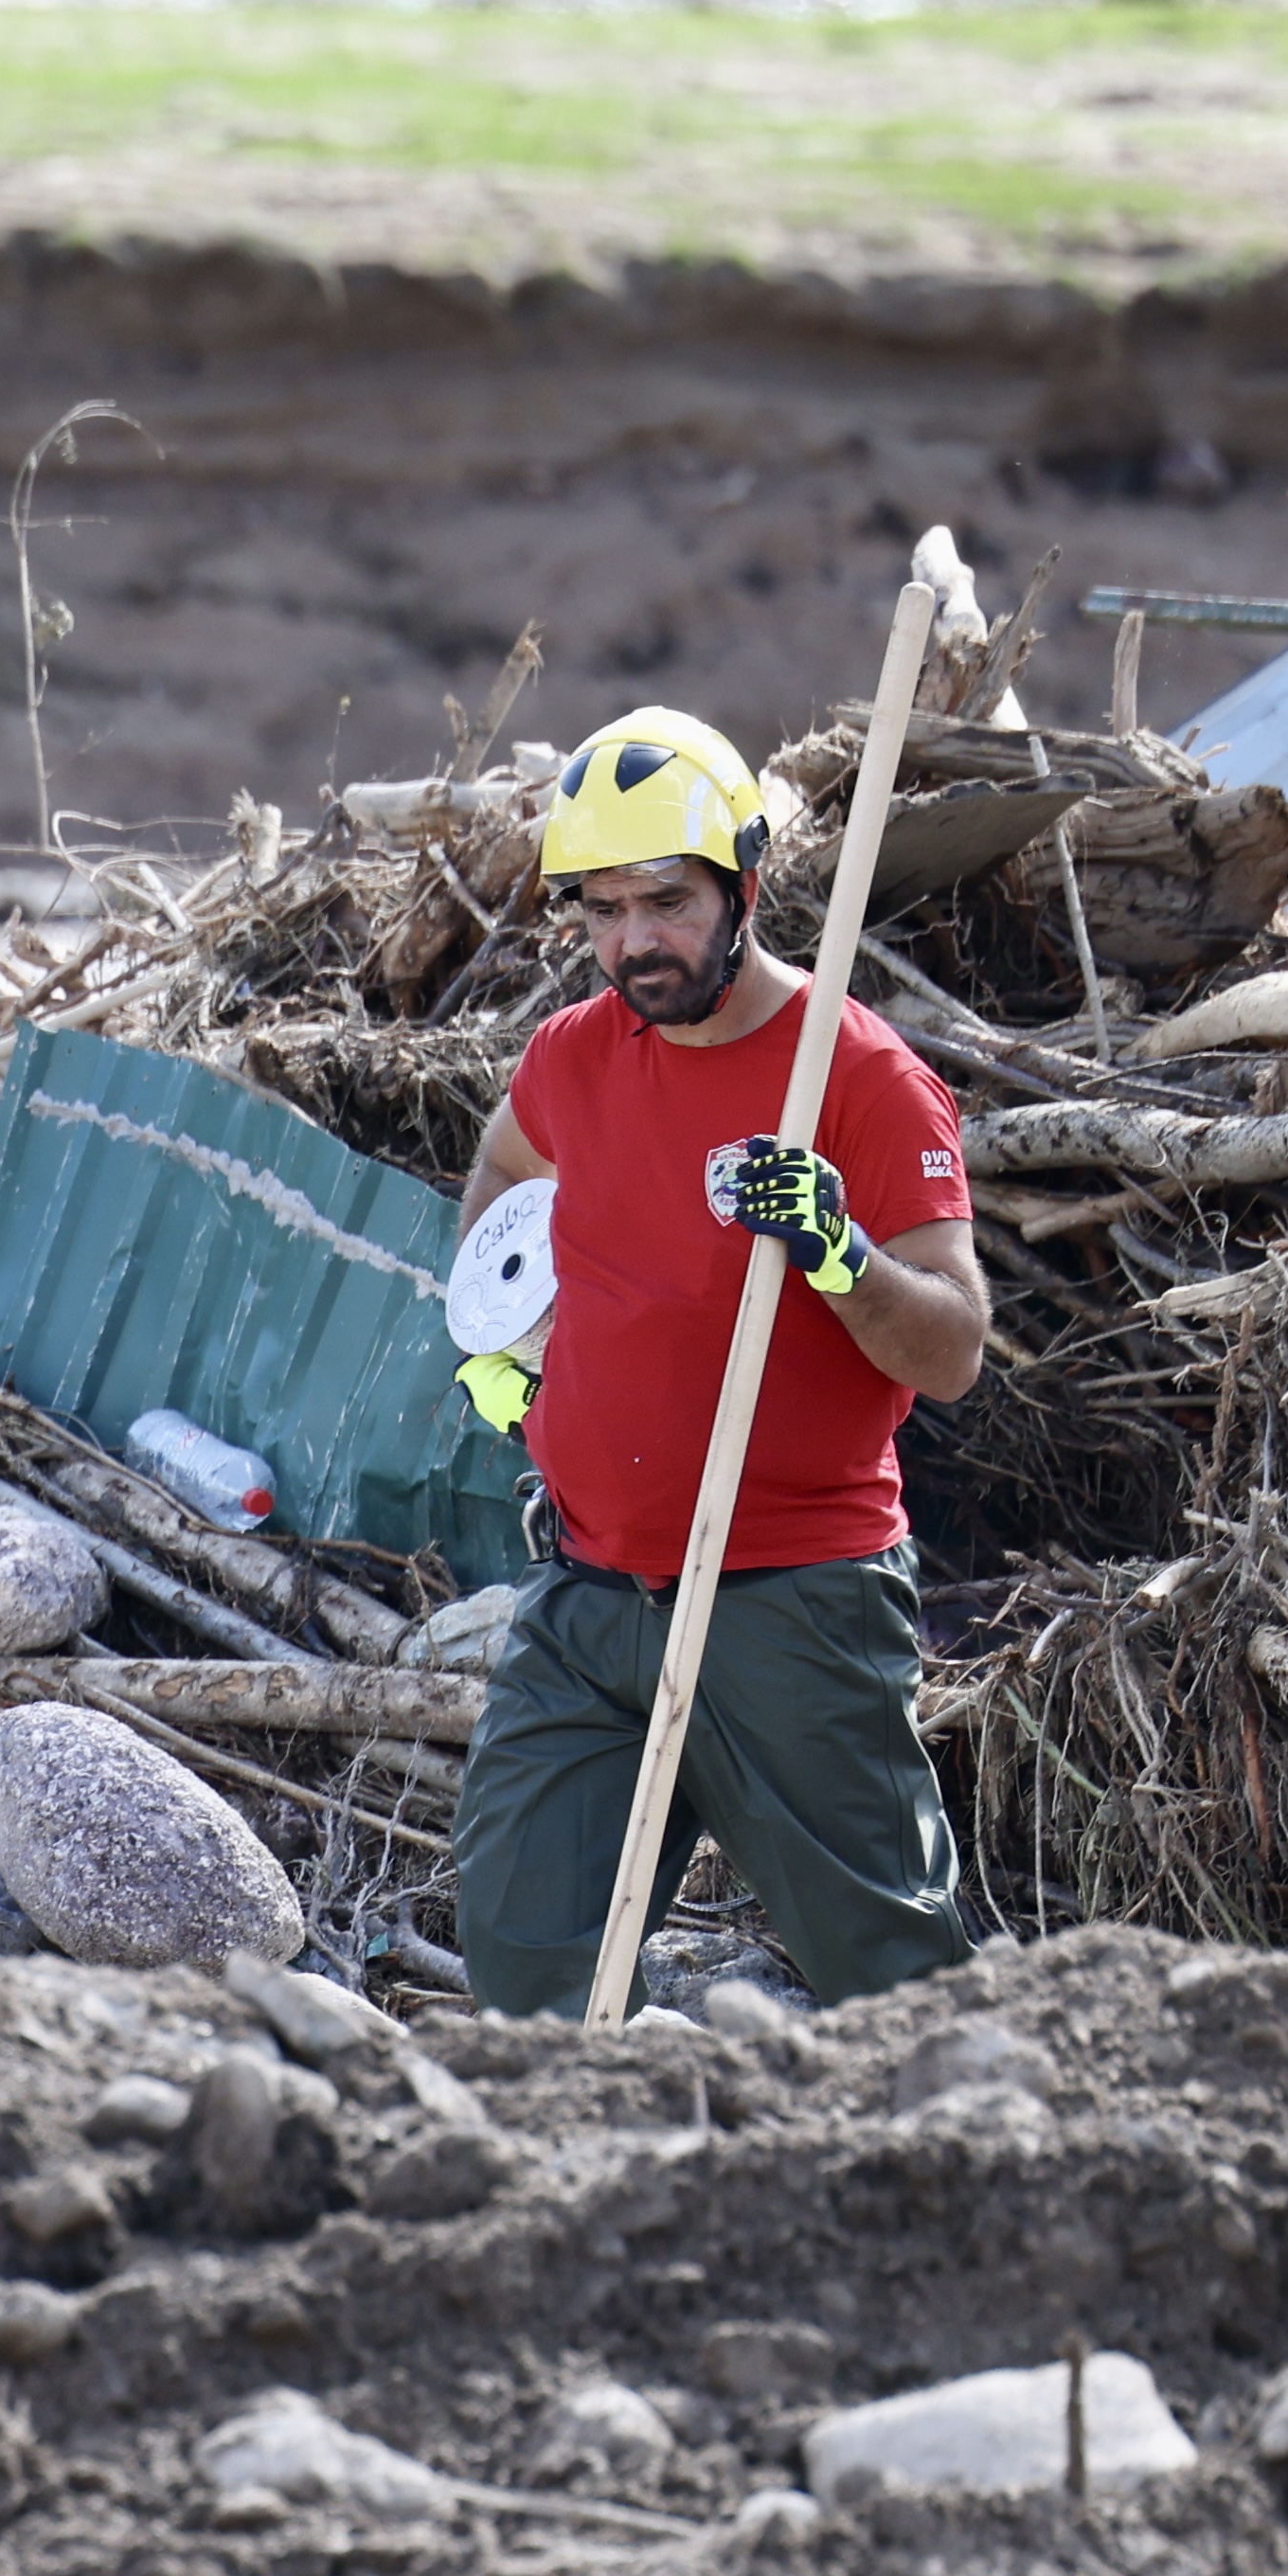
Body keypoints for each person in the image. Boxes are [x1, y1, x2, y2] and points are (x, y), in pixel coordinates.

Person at [445, 704, 988, 2016]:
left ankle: (991, 2136)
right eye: (603, 910)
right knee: (523, 1964)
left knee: (894, 1984)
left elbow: (956, 1348)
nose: (634, 940)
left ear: (745, 882)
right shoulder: (572, 1057)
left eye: (668, 902)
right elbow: (503, 1179)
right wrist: (507, 1345)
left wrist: (840, 1252)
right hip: (586, 1595)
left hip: (791, 1602)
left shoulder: (856, 1076)